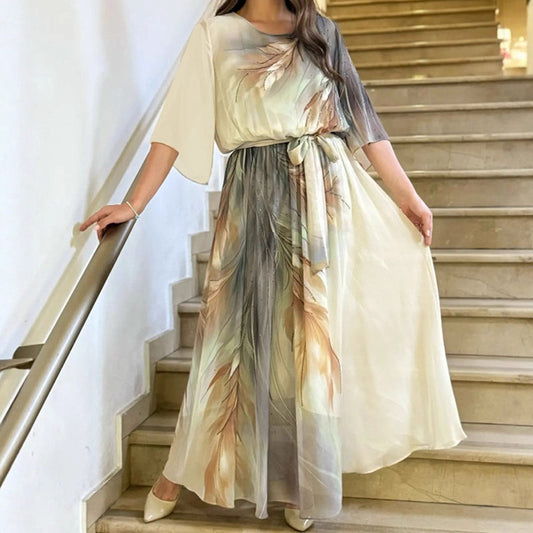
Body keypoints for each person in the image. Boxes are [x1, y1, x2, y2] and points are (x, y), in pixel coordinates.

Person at [80, 0, 468, 531]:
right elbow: (173, 130)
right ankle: (176, 472)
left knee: (308, 348)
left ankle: (302, 481)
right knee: (228, 341)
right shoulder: (216, 35)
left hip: (324, 203)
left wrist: (409, 198)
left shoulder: (321, 32)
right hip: (253, 200)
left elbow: (365, 124)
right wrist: (133, 204)